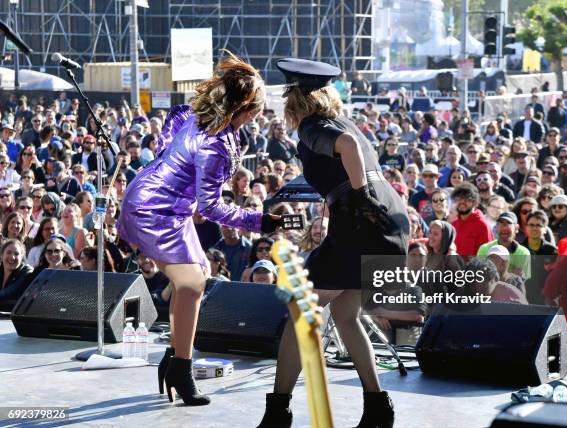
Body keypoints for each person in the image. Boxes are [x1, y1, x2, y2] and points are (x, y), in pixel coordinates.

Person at [117, 52, 281, 406]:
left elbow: (175, 118)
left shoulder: (202, 118)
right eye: (260, 106)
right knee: (191, 283)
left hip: (171, 207)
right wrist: (258, 221)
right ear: (245, 109)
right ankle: (181, 365)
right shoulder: (214, 144)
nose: (263, 112)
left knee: (198, 274)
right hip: (152, 210)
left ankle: (175, 355)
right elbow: (211, 207)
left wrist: (169, 161)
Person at [258, 57, 411, 428]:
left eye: (287, 94)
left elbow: (345, 148)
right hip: (389, 225)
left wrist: (358, 199)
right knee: (344, 314)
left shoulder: (315, 127)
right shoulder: (345, 123)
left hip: (362, 228)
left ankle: (278, 412)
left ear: (298, 98)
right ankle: (377, 406)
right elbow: (349, 153)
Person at [451, 183, 494, 257]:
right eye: (459, 199)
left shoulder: (482, 225)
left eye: (467, 199)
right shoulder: (453, 224)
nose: (462, 202)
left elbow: (487, 256)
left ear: (475, 202)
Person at [0, 239, 34, 312]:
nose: (12, 257)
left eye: (16, 254)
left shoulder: (27, 272)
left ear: (22, 257)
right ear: (2, 255)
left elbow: (13, 291)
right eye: (8, 252)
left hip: (15, 319)